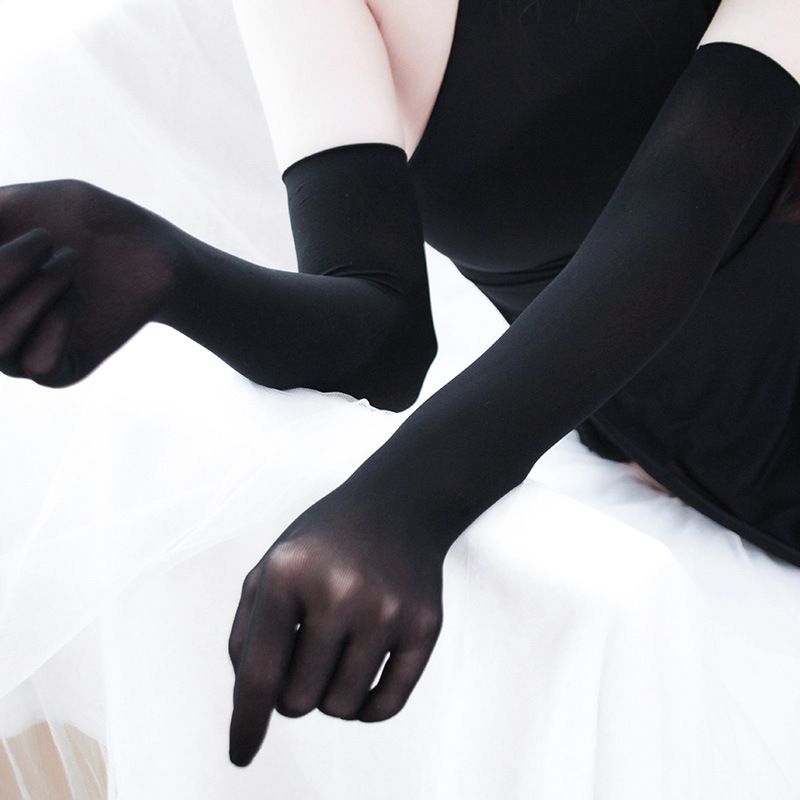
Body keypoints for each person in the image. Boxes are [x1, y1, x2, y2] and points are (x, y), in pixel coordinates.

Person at [0, 0, 798, 771]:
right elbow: (380, 333)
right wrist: (156, 265)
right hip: (715, 432)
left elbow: (686, 195)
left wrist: (415, 492)